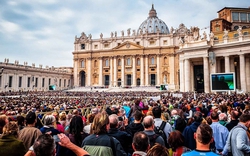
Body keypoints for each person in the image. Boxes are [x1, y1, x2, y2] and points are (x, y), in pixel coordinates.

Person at [24, 133, 90, 156]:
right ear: (54, 151)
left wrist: (37, 144)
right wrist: (69, 144)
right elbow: (85, 155)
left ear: (33, 153)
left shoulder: (32, 152)